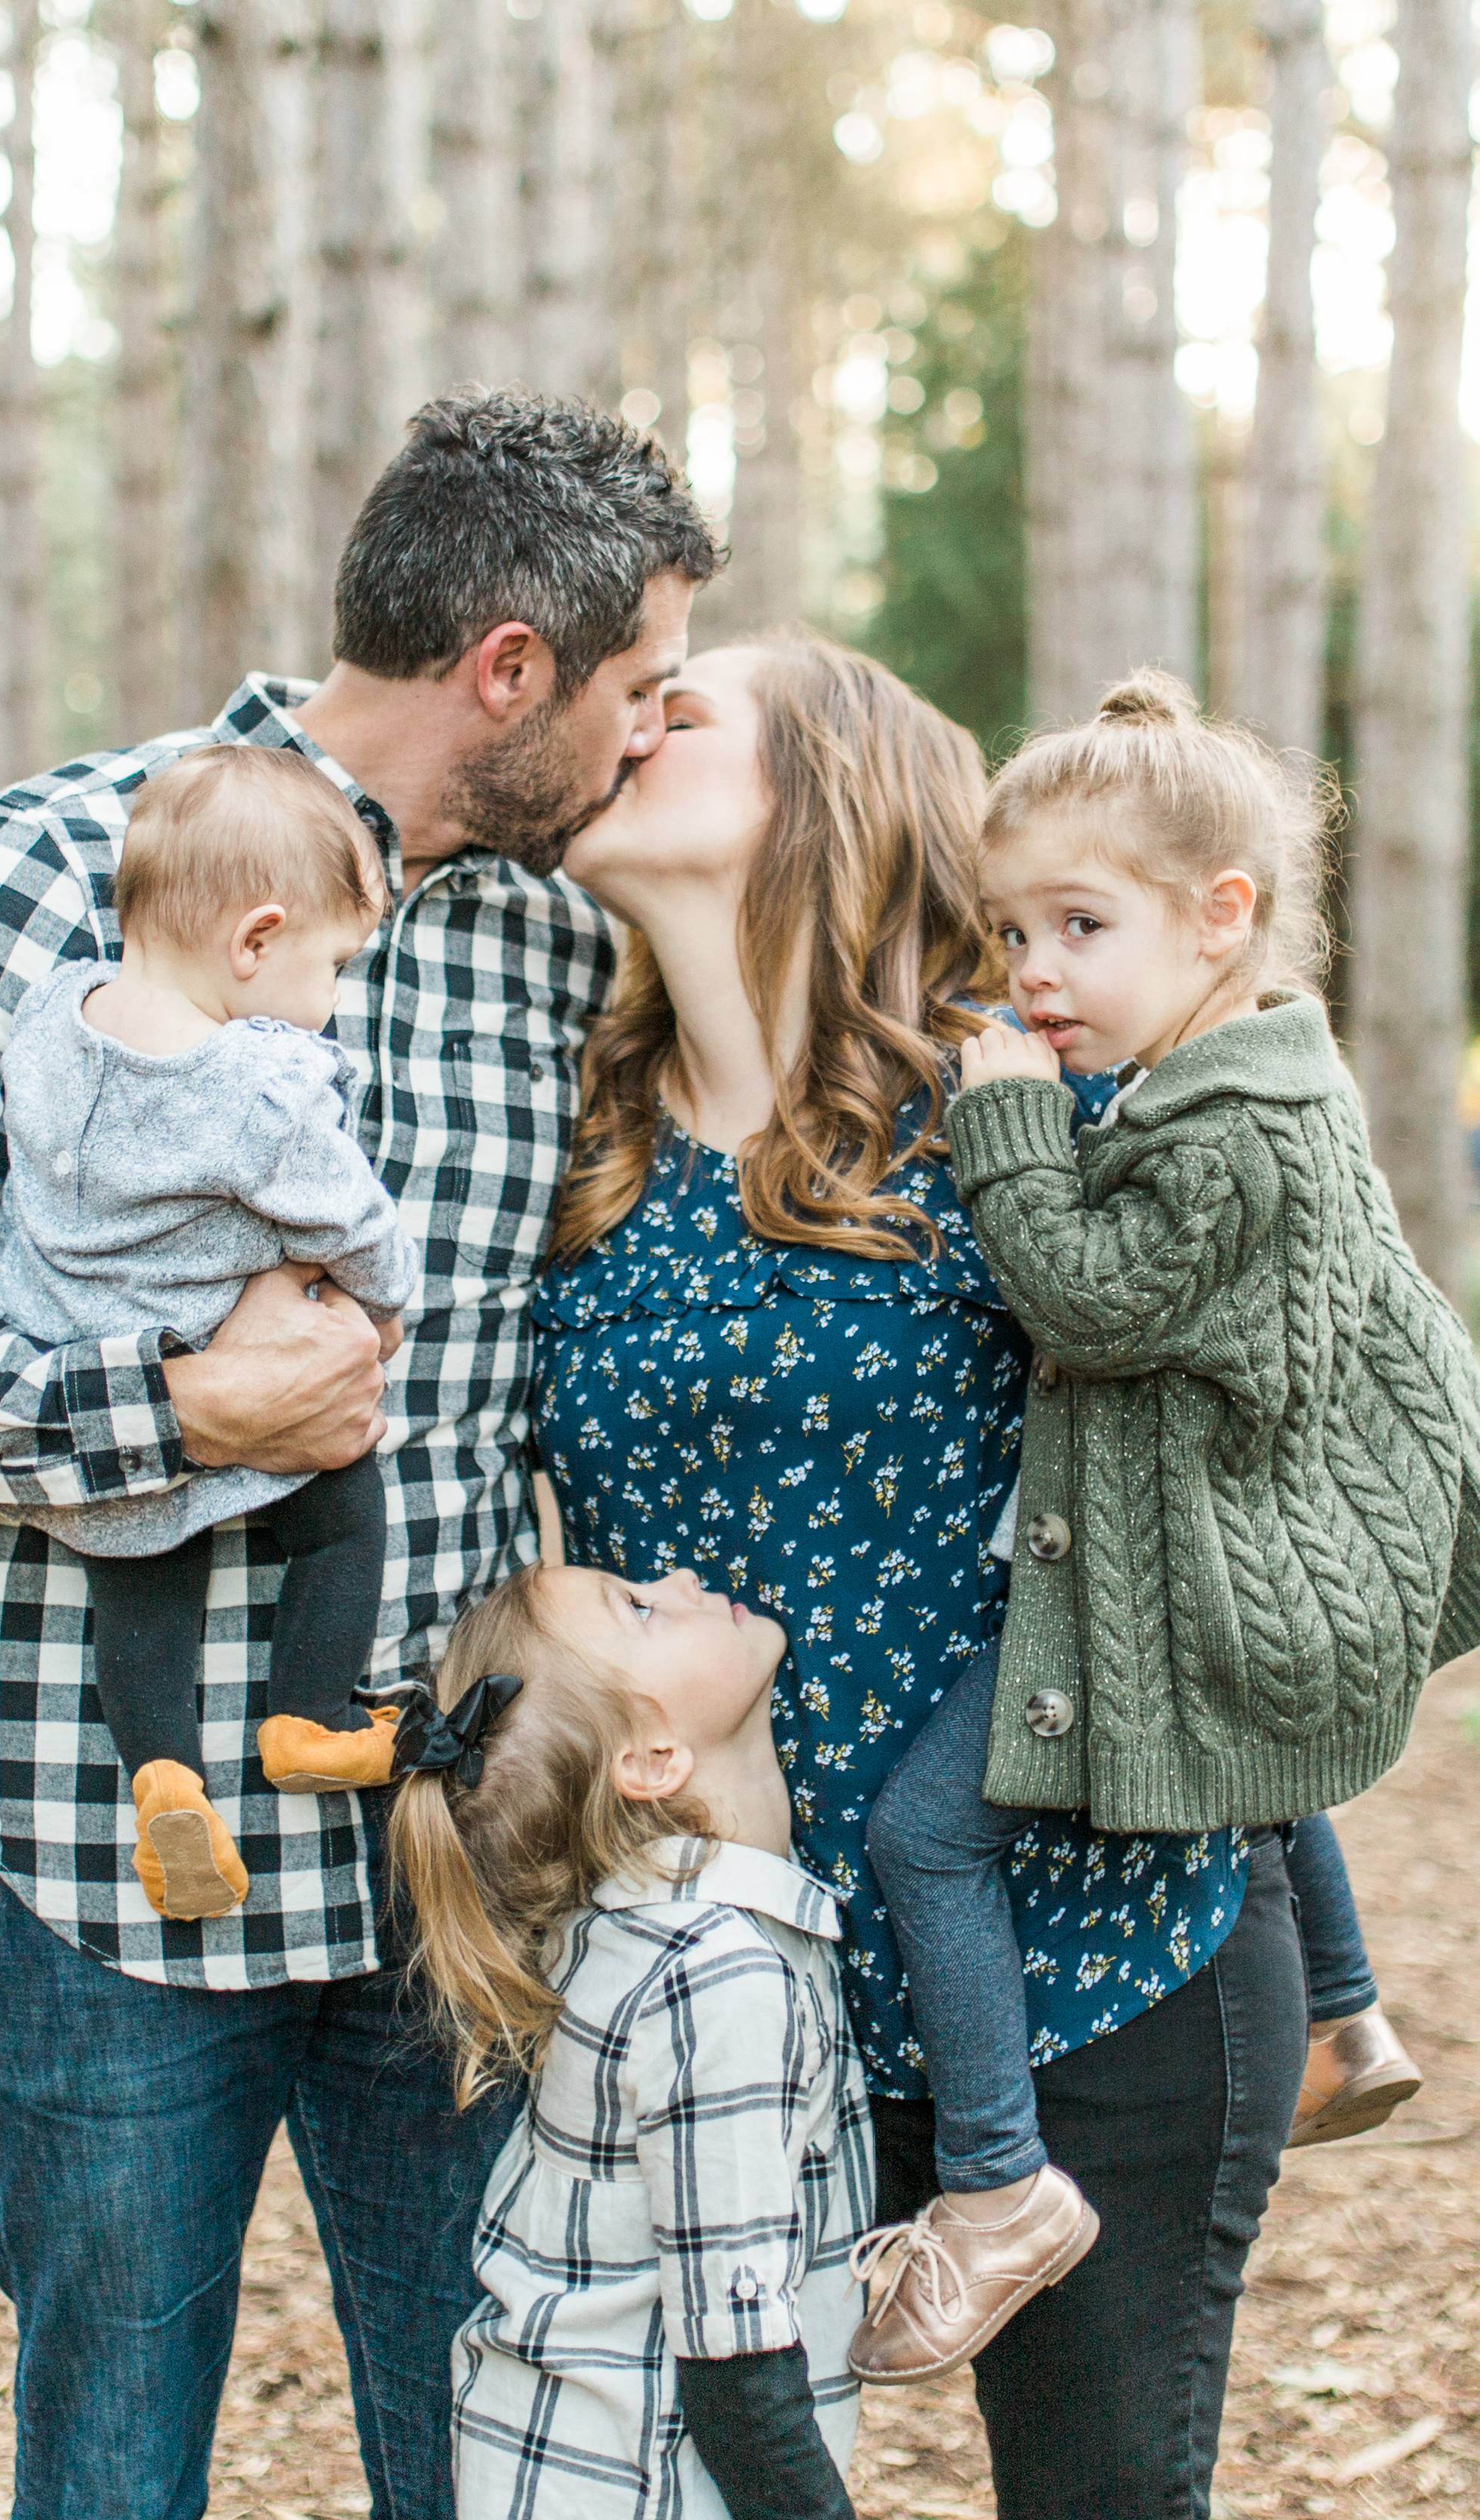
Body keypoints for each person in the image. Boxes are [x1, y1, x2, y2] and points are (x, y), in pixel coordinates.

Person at [0, 391, 718, 2520]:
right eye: (636, 688)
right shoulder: (60, 863)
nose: (646, 738)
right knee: (113, 2469)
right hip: (106, 1857)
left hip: (457, 1872)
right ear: (510, 671)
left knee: (501, 2466)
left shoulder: (569, 948)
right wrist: (166, 1415)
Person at [531, 630, 1309, 2520]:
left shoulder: (1017, 1113)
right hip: (744, 2000)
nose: (626, 728)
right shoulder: (581, 1146)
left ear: (824, 788)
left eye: (683, 709)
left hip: (1097, 1956)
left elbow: (1258, 1418)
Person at [851, 670, 1469, 2384]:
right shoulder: (1243, 1076)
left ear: (1223, 920)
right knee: (1239, 1768)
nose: (1031, 970)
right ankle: (1344, 2013)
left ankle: (993, 2187)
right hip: (1219, 1564)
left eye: (1078, 924)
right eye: (1009, 928)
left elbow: (1089, 1304)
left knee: (927, 1834)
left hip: (1193, 1575)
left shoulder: (1236, 1125)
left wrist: (1005, 1126)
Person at [0, 746, 420, 1920]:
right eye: (332, 964)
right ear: (255, 941)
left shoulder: (47, 1021)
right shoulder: (252, 1084)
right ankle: (308, 1718)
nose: (330, 992)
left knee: (137, 1578)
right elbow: (351, 1213)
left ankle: (163, 1778)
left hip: (97, 1396)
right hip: (236, 1372)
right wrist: (384, 1306)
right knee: (341, 1518)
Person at [385, 1559, 873, 2520]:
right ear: (652, 1759)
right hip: (645, 2487)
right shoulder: (717, 1976)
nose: (683, 1575)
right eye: (643, 1606)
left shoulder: (637, 1925)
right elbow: (735, 2366)